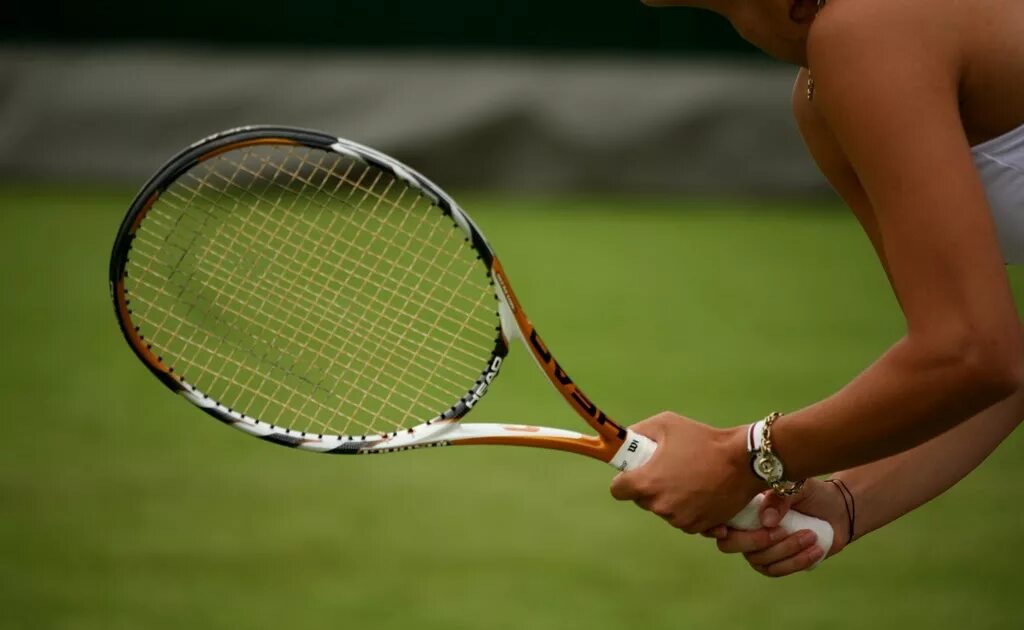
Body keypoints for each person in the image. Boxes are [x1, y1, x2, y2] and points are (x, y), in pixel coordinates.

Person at [610, 0, 1024, 577]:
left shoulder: (869, 25)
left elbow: (972, 354)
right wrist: (846, 503)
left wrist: (745, 457)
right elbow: (997, 372)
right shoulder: (820, 92)